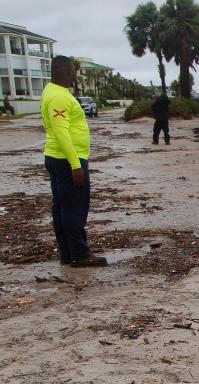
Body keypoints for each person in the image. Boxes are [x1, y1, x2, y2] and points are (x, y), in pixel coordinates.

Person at [41, 55, 107, 267]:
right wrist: (76, 165)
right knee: (73, 207)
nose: (75, 75)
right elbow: (61, 133)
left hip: (58, 158)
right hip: (67, 160)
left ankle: (68, 253)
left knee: (61, 207)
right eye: (74, 71)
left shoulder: (52, 91)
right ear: (69, 71)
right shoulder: (59, 97)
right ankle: (79, 254)